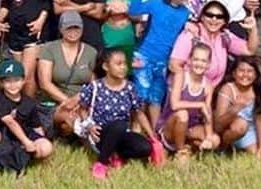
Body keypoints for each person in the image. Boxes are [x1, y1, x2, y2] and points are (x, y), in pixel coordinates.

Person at [77, 47, 156, 179]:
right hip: (101, 134)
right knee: (119, 125)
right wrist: (89, 125)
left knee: (144, 148)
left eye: (124, 63)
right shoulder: (96, 87)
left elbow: (139, 113)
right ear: (106, 67)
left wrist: (152, 136)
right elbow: (82, 109)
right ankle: (101, 163)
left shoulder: (130, 87)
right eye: (118, 64)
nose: (123, 67)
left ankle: (118, 155)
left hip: (122, 133)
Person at [128, 0, 193, 125]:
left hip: (164, 60)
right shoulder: (156, 3)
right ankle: (136, 129)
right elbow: (133, 10)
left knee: (156, 96)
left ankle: (154, 131)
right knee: (141, 95)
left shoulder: (185, 12)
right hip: (144, 55)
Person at [0, 57, 54, 175]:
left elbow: (36, 126)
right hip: (4, 136)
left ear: (23, 81)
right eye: (8, 81)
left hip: (25, 134)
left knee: (47, 147)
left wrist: (40, 141)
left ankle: (24, 160)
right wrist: (27, 142)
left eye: (17, 80)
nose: (13, 85)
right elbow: (10, 122)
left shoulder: (29, 102)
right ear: (2, 83)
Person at [36, 11, 97, 136]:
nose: (73, 32)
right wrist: (68, 102)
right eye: (68, 28)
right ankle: (77, 131)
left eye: (76, 28)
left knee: (70, 124)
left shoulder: (91, 52)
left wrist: (79, 102)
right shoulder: (49, 48)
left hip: (81, 101)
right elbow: (45, 83)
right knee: (67, 118)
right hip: (56, 101)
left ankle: (76, 132)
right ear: (61, 29)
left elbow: (94, 85)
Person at [157, 41, 219, 161]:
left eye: (203, 61)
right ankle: (180, 152)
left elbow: (207, 114)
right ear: (189, 60)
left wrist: (209, 136)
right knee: (182, 113)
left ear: (209, 64)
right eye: (196, 59)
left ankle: (190, 147)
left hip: (190, 128)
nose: (199, 64)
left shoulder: (208, 85)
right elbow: (175, 104)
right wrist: (200, 104)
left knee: (215, 140)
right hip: (171, 125)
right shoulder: (181, 76)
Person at [169, 0, 254, 87]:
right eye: (209, 15)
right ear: (202, 17)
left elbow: (249, 51)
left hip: (210, 91)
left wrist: (252, 30)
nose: (214, 19)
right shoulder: (192, 34)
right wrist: (194, 87)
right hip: (186, 91)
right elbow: (173, 65)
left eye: (219, 16)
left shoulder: (225, 36)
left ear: (225, 21)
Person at [214, 55, 261, 155]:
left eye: (250, 71)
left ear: (255, 75)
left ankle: (241, 146)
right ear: (234, 73)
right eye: (241, 70)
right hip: (231, 129)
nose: (245, 75)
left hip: (251, 129)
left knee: (257, 154)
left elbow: (260, 119)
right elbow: (218, 126)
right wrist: (235, 110)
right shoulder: (227, 89)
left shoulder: (258, 89)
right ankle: (223, 147)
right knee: (241, 125)